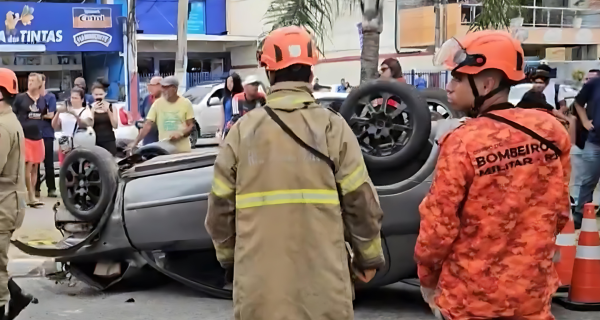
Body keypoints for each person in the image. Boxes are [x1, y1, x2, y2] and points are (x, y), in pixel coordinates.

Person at [205, 26, 385, 320]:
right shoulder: (332, 128)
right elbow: (360, 201)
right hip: (324, 285)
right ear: (312, 73)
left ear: (269, 73)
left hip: (259, 286)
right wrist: (369, 256)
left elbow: (219, 209)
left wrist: (229, 258)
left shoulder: (242, 132)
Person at [415, 30, 571, 320]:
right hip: (532, 296)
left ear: (487, 83)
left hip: (470, 301)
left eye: (459, 78)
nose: (449, 87)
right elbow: (560, 210)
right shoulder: (550, 131)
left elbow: (438, 227)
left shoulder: (462, 141)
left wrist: (427, 277)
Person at [0, 68, 39, 320]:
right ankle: (16, 295)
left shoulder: (2, 126)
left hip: (4, 203)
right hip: (10, 201)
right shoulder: (8, 120)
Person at [130, 76, 195, 153]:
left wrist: (180, 134)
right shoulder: (157, 104)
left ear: (174, 88)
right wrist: (136, 142)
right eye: (162, 87)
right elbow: (147, 125)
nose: (163, 90)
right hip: (165, 150)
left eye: (166, 88)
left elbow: (191, 126)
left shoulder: (186, 103)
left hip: (182, 150)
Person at [12, 73, 46, 208]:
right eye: (29, 80)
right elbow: (13, 113)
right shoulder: (20, 98)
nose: (30, 83)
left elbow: (42, 115)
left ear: (39, 84)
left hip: (38, 136)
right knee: (28, 166)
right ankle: (29, 195)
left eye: (33, 81)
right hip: (25, 136)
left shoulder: (42, 100)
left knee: (36, 167)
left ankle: (32, 194)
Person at [573, 69, 600, 225]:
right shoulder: (595, 83)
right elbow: (578, 102)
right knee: (588, 180)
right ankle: (580, 213)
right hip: (595, 141)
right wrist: (584, 121)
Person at [52, 87, 94, 164]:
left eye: (76, 98)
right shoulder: (65, 112)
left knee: (78, 167)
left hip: (79, 144)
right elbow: (55, 126)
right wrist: (58, 113)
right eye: (72, 97)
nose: (73, 100)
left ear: (82, 99)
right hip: (65, 143)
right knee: (65, 168)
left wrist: (74, 114)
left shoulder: (85, 111)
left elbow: (86, 124)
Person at [35, 74, 57, 198]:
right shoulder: (33, 97)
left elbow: (51, 115)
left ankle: (51, 188)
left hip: (47, 133)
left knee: (49, 162)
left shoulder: (50, 97)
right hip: (35, 133)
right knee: (35, 163)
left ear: (44, 82)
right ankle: (36, 188)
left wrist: (37, 115)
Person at [90, 79, 118, 156]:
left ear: (105, 94)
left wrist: (108, 111)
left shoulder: (111, 107)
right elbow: (89, 126)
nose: (98, 97)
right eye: (96, 94)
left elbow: (115, 125)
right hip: (95, 140)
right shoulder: (89, 108)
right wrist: (92, 111)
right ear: (92, 95)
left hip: (109, 140)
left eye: (100, 94)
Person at [218, 73, 243, 139]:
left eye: (231, 82)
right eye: (227, 82)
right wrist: (220, 131)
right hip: (227, 130)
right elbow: (223, 116)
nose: (229, 84)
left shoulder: (241, 97)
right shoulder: (226, 99)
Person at [139, 76, 162, 145]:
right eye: (149, 85)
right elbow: (143, 116)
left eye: (152, 85)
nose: (149, 88)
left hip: (161, 140)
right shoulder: (147, 99)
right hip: (147, 140)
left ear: (160, 86)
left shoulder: (166, 101)